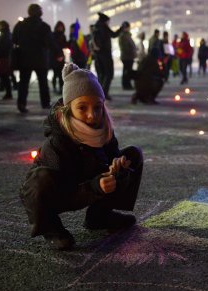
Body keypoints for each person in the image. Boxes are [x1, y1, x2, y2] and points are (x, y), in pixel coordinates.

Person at [19, 63, 143, 250]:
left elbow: (111, 163)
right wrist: (96, 186)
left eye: (97, 107)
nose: (92, 116)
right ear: (68, 109)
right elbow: (66, 189)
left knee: (133, 155)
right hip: (55, 192)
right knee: (40, 179)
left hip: (89, 183)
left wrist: (119, 170)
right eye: (82, 108)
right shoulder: (58, 143)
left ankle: (99, 216)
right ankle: (51, 229)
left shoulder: (104, 132)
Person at [12, 3, 55, 113]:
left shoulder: (20, 25)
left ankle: (21, 104)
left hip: (24, 58)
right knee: (43, 83)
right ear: (38, 12)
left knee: (24, 83)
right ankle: (45, 103)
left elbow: (14, 39)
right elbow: (51, 42)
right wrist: (58, 53)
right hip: (40, 59)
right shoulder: (44, 26)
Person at [92, 12, 122, 100]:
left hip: (98, 55)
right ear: (104, 21)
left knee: (102, 74)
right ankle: (104, 93)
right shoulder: (103, 27)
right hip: (105, 54)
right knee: (109, 74)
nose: (108, 23)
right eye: (108, 22)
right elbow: (114, 35)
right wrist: (121, 28)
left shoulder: (95, 28)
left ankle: (99, 93)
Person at [0, 20, 13, 100]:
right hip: (4, 58)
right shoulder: (6, 35)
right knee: (4, 75)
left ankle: (8, 93)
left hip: (3, 58)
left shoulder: (5, 36)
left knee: (4, 75)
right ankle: (8, 92)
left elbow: (1, 47)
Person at [118, 21, 137, 90]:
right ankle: (126, 85)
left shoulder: (127, 35)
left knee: (127, 71)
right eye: (128, 27)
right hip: (126, 56)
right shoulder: (123, 35)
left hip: (129, 56)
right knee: (127, 71)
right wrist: (132, 51)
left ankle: (127, 84)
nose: (129, 28)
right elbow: (124, 47)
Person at [51, 21, 67, 95]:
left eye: (61, 27)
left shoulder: (63, 36)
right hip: (54, 57)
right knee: (55, 73)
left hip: (61, 57)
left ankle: (61, 89)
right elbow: (53, 47)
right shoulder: (53, 35)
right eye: (59, 27)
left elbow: (64, 46)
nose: (60, 28)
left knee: (61, 74)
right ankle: (54, 87)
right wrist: (57, 56)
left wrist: (63, 56)